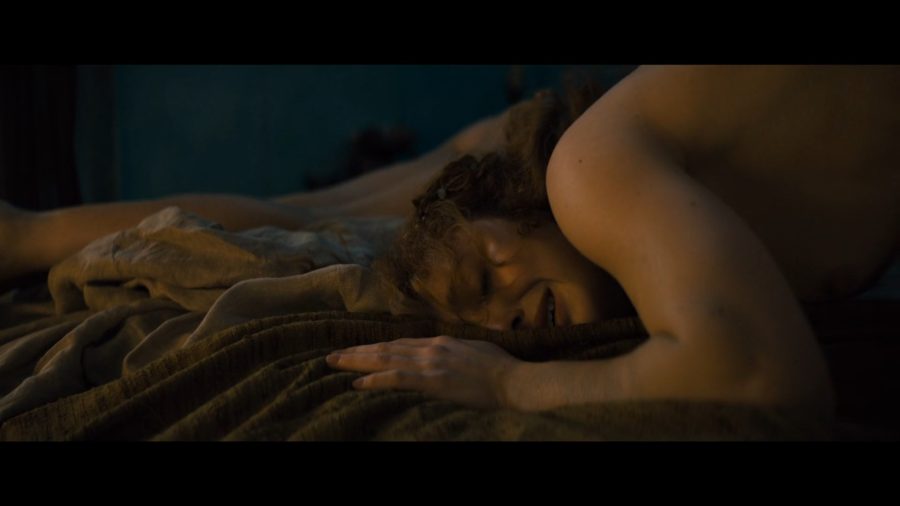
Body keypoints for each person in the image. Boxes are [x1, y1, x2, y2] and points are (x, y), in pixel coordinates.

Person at [3, 66, 898, 423]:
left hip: (542, 147)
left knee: (324, 218)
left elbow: (765, 378)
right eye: (483, 321)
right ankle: (25, 236)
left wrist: (510, 383)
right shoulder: (606, 192)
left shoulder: (585, 175)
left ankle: (23, 234)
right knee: (311, 217)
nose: (504, 316)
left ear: (521, 209)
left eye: (487, 272)